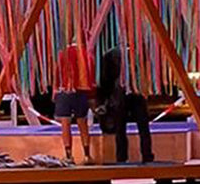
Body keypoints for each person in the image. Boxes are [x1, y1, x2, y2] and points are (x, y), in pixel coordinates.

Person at [94, 48, 154, 164]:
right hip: (134, 93)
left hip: (120, 94)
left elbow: (106, 79)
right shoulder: (139, 52)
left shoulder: (111, 54)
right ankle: (147, 155)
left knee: (121, 129)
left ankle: (122, 157)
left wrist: (103, 98)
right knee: (142, 127)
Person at [54, 36, 95, 164]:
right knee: (82, 123)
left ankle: (68, 156)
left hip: (64, 91)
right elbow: (90, 77)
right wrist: (92, 98)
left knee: (65, 124)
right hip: (80, 91)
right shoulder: (86, 55)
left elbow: (57, 73)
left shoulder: (62, 54)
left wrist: (55, 92)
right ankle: (87, 155)